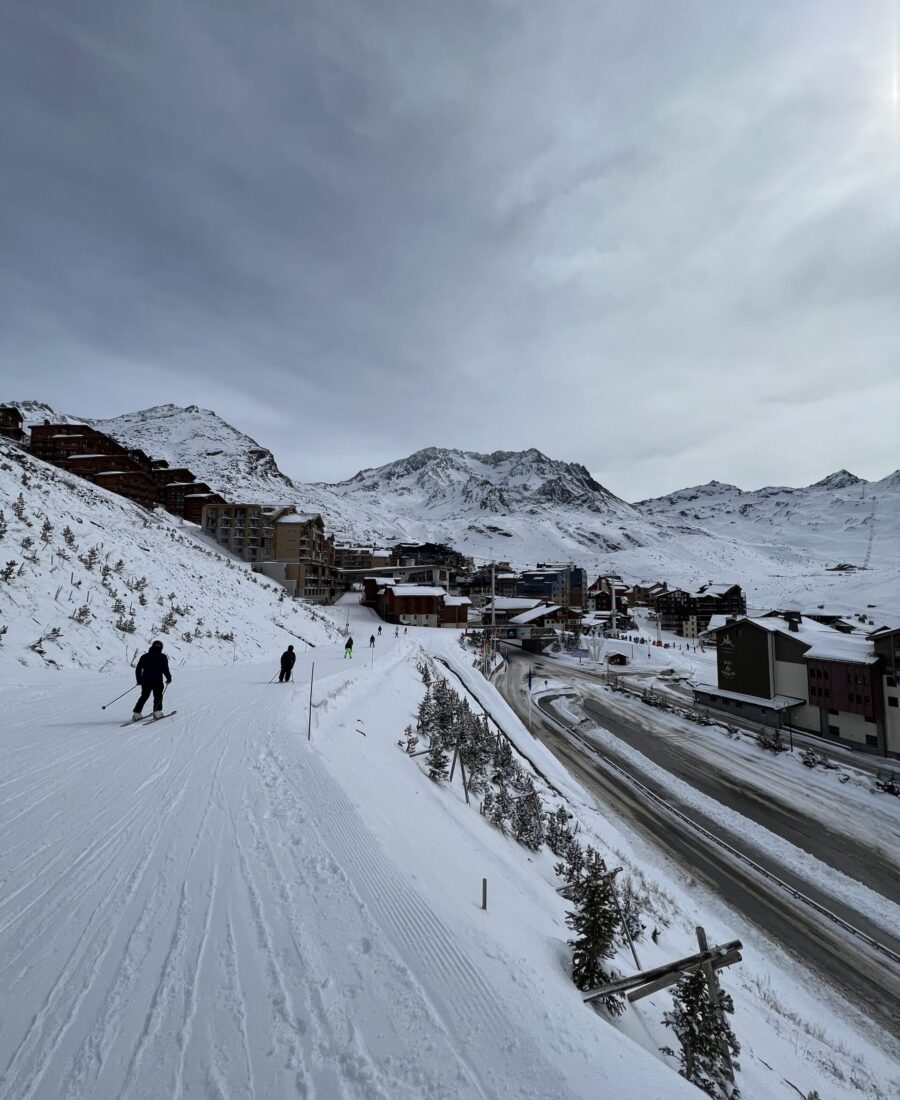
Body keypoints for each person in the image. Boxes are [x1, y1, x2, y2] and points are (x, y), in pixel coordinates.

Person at [132, 640, 172, 720]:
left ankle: (137, 713)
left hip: (145, 680)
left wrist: (139, 680)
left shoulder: (144, 656)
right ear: (161, 648)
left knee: (144, 696)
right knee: (158, 696)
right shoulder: (162, 657)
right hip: (157, 680)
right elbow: (165, 669)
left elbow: (138, 669)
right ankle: (157, 712)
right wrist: (168, 678)